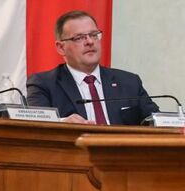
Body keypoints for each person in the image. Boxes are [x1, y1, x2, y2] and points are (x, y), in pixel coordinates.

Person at [26, 10, 159, 125]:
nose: (90, 42)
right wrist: (62, 123)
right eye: (79, 38)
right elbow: (36, 125)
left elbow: (156, 121)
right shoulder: (43, 84)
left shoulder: (129, 82)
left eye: (94, 35)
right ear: (61, 48)